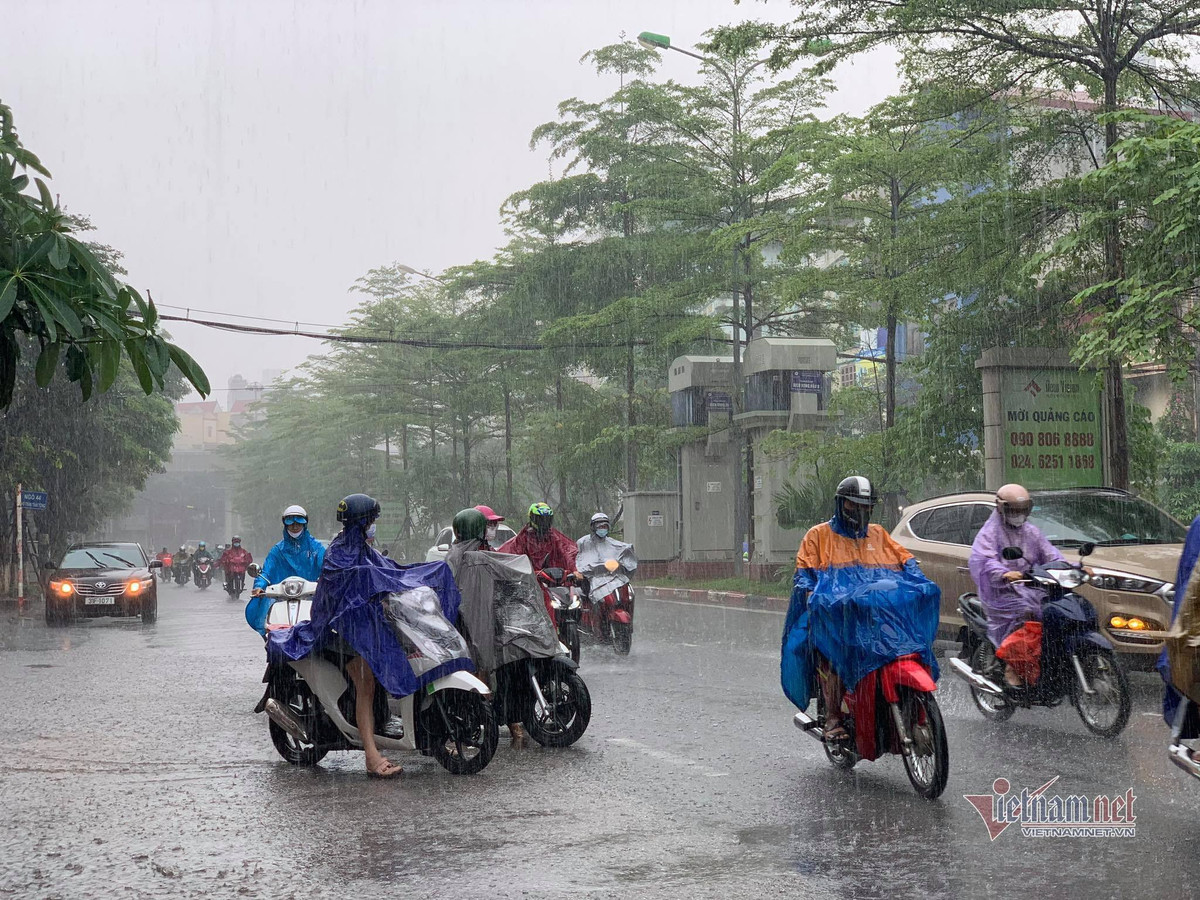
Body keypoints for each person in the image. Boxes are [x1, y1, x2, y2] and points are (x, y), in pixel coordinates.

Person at [270, 494, 472, 778]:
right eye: (372, 521)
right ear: (362, 522)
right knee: (366, 683)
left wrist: (420, 578)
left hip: (363, 626)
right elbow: (350, 593)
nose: (374, 526)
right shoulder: (339, 554)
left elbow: (391, 573)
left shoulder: (362, 548)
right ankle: (370, 755)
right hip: (338, 630)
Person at [781, 476, 935, 744]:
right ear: (841, 505)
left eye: (866, 507)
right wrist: (812, 593)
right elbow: (804, 575)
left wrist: (918, 579)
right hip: (835, 616)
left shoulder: (878, 534)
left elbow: (905, 560)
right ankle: (832, 717)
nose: (860, 512)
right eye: (854, 506)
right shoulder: (818, 536)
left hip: (874, 614)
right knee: (834, 654)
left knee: (904, 644)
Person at [968, 483, 1063, 688]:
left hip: (1030, 586)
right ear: (1001, 507)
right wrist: (1003, 573)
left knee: (1055, 611)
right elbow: (983, 559)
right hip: (1000, 593)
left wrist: (1072, 568)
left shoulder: (1031, 532)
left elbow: (1051, 554)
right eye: (1014, 510)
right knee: (1025, 613)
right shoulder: (990, 532)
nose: (1018, 514)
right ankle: (1013, 665)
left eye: (1023, 510)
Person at [245, 504, 326, 635]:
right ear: (285, 525)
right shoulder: (277, 550)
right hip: (281, 597)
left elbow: (326, 569)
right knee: (268, 624)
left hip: (311, 597)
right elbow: (266, 572)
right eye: (291, 522)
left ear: (304, 524)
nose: (295, 526)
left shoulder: (316, 548)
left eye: (298, 523)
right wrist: (259, 586)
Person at [576, 512, 638, 636]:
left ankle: (628, 623)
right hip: (593, 578)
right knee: (596, 598)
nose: (602, 529)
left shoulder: (614, 543)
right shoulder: (584, 542)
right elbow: (578, 557)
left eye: (604, 526)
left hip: (613, 577)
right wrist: (586, 569)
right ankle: (596, 625)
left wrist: (623, 563)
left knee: (629, 594)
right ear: (593, 527)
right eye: (599, 526)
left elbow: (623, 552)